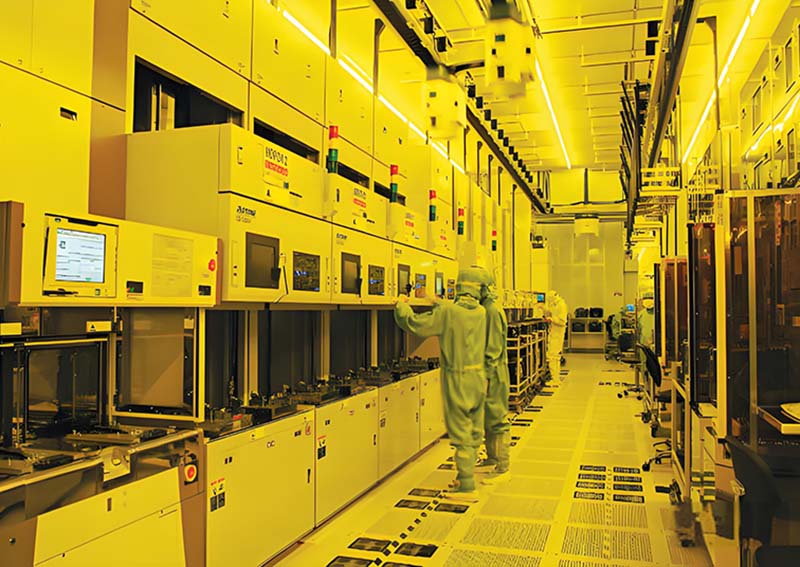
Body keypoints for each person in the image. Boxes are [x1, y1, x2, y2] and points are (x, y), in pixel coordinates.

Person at [394, 267, 488, 501]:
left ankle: (467, 487)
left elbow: (416, 324)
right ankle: (466, 477)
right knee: (473, 428)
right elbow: (453, 311)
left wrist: (401, 305)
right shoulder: (481, 312)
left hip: (458, 379)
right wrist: (433, 300)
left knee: (460, 430)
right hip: (478, 378)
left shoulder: (448, 312)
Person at [478, 273, 511, 482]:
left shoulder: (490, 310)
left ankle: (503, 467)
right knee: (489, 419)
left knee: (497, 419)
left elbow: (492, 348)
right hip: (492, 370)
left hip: (494, 372)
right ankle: (492, 458)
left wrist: (485, 377)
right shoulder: (488, 307)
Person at [544, 290, 568, 380]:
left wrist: (551, 319)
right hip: (554, 333)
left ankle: (555, 379)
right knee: (554, 356)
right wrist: (543, 308)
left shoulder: (561, 305)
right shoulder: (557, 304)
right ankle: (555, 378)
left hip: (557, 334)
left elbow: (562, 321)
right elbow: (552, 312)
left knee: (553, 356)